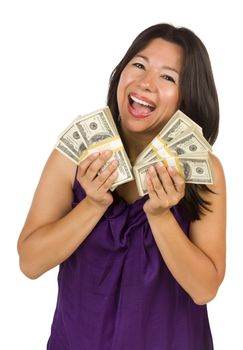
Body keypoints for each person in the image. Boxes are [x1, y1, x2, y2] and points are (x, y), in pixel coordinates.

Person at [17, 23, 226, 349]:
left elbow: (204, 289)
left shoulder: (203, 171)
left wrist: (159, 216)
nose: (146, 83)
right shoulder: (74, 158)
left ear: (187, 95)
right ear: (121, 73)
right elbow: (30, 262)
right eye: (139, 65)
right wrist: (93, 204)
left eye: (167, 77)